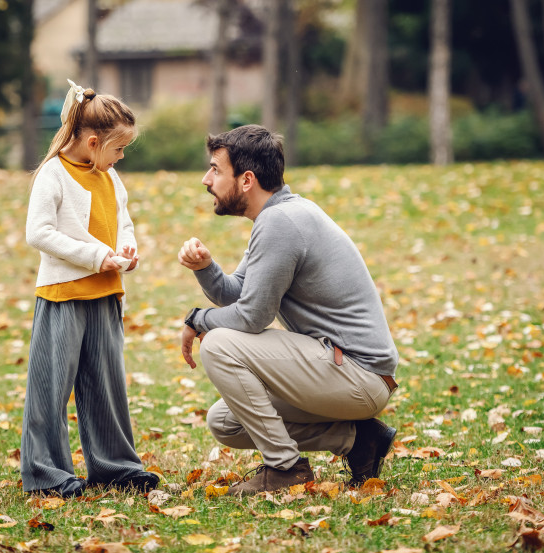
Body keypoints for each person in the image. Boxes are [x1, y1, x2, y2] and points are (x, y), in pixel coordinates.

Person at [178, 124, 399, 496]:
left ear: (247, 179)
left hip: (359, 375)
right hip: (347, 372)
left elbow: (251, 317)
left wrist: (197, 321)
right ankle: (359, 440)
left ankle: (285, 468)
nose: (206, 179)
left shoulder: (281, 222)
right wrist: (206, 269)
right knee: (225, 422)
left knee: (217, 344)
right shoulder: (279, 215)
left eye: (216, 169)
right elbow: (238, 294)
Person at [20, 79, 158, 498]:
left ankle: (115, 467)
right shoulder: (53, 175)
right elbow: (38, 233)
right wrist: (95, 258)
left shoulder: (111, 178)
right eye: (118, 149)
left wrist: (126, 249)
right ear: (94, 142)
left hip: (106, 296)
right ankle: (46, 474)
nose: (120, 157)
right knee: (50, 388)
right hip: (63, 296)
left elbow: (122, 222)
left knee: (107, 386)